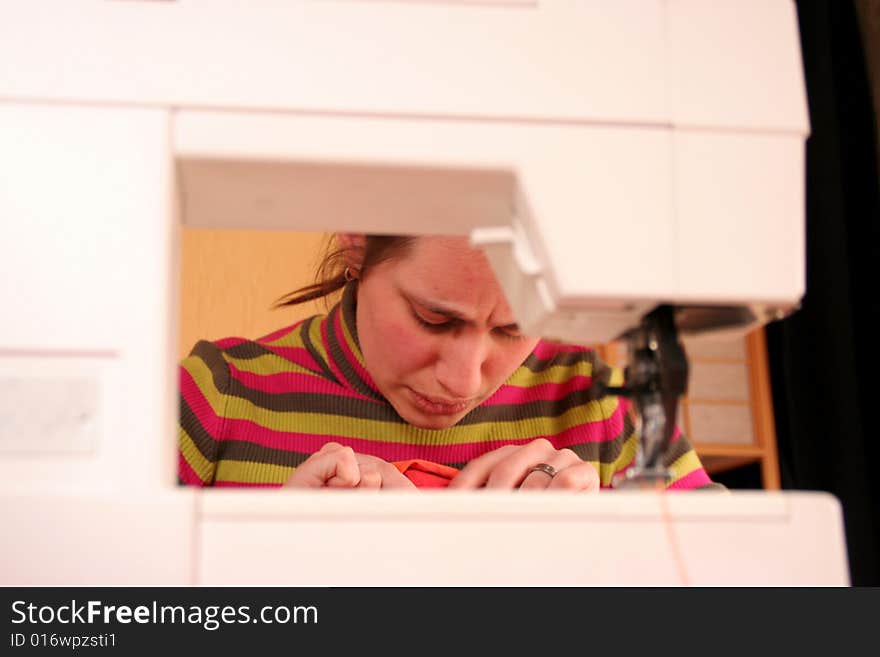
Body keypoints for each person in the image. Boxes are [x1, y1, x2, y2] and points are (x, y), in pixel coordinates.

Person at [178, 234, 720, 491]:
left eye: (513, 328)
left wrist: (598, 557)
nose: (462, 380)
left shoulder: (594, 403)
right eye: (432, 319)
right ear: (355, 246)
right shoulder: (221, 396)